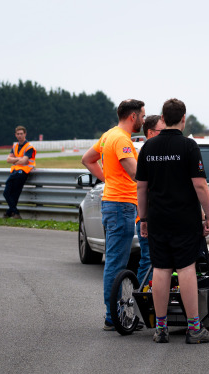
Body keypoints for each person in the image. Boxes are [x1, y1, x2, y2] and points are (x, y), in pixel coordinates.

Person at [136, 98, 209, 344]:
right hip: (184, 217)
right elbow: (200, 185)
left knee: (161, 269)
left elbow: (141, 187)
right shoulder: (188, 146)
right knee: (185, 268)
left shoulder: (148, 148)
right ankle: (194, 328)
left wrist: (144, 218)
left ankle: (160, 328)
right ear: (184, 118)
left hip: (158, 217)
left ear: (162, 117)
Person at [81, 99, 145, 331]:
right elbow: (135, 173)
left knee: (115, 262)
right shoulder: (121, 139)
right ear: (132, 117)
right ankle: (113, 316)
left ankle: (114, 314)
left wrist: (108, 179)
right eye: (142, 115)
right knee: (116, 264)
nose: (144, 120)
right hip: (121, 205)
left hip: (113, 203)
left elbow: (87, 159)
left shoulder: (108, 135)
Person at [135, 115, 166, 286]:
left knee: (158, 261)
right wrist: (144, 218)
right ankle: (143, 298)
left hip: (155, 217)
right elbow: (142, 188)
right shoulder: (146, 152)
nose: (164, 135)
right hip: (147, 217)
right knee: (148, 260)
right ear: (151, 132)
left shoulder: (158, 150)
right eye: (161, 131)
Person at [3, 126, 37, 219]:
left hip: (23, 172)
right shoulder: (15, 146)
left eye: (21, 134)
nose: (19, 136)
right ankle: (13, 213)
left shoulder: (29, 147)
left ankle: (10, 213)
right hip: (15, 171)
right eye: (18, 134)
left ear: (25, 134)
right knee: (8, 193)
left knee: (14, 193)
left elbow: (24, 161)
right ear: (15, 135)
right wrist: (18, 159)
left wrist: (14, 160)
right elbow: (8, 159)